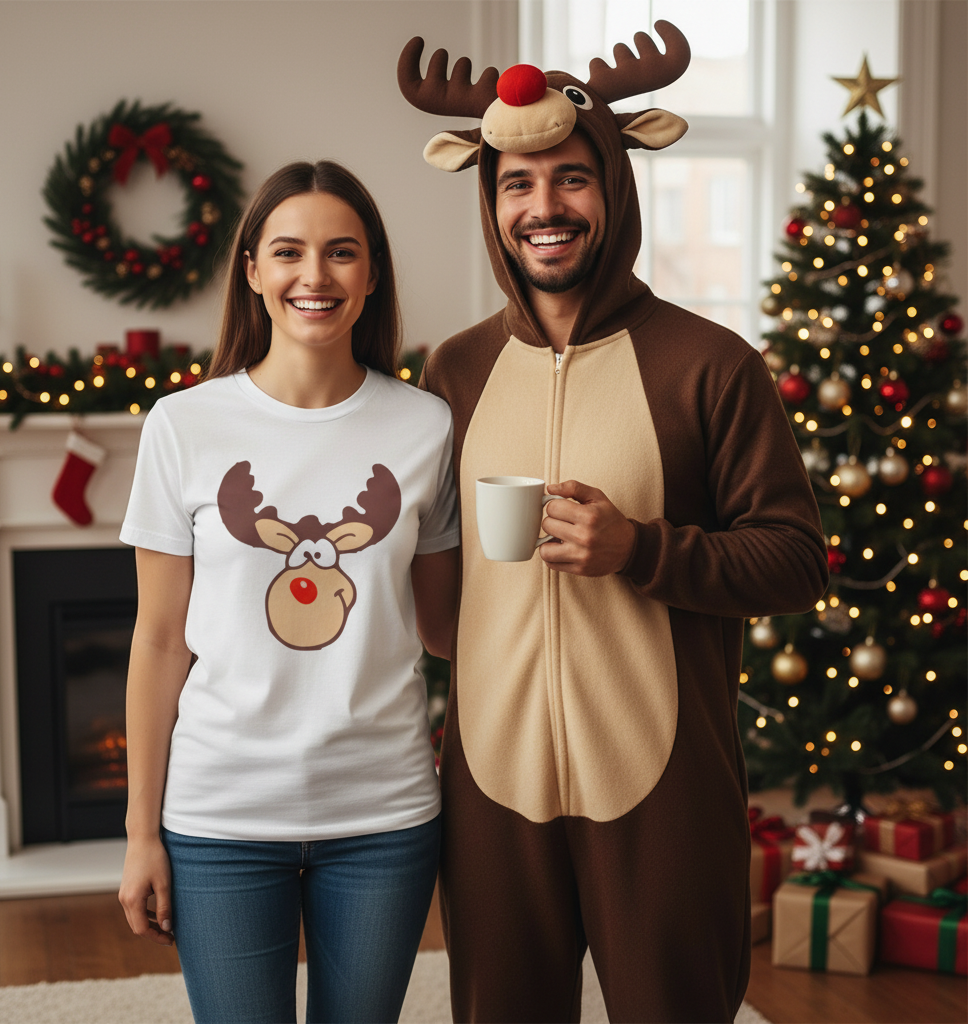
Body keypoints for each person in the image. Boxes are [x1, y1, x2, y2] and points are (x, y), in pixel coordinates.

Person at [397, 23, 829, 1024]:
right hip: (492, 787)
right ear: (489, 199)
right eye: (516, 185)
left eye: (570, 180)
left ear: (614, 186)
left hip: (666, 782)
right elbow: (433, 566)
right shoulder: (451, 371)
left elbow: (795, 560)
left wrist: (641, 548)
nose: (543, 207)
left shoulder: (711, 365)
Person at [117, 160, 459, 1024]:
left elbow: (451, 630)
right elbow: (159, 642)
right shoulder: (183, 427)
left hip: (384, 816)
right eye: (290, 252)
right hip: (221, 818)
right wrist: (139, 834)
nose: (316, 276)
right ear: (254, 270)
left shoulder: (426, 427)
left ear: (372, 272)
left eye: (342, 253)